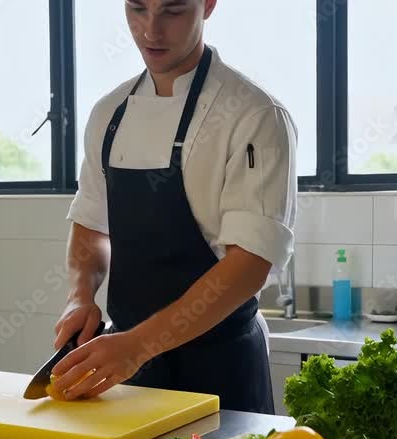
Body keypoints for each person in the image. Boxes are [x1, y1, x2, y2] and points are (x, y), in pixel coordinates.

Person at [50, 0, 297, 414]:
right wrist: (80, 295)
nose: (151, 30)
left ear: (208, 5)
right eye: (137, 9)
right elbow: (91, 223)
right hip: (127, 370)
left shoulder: (254, 114)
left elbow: (250, 264)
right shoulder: (109, 113)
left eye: (173, 11)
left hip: (221, 372)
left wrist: (138, 345)